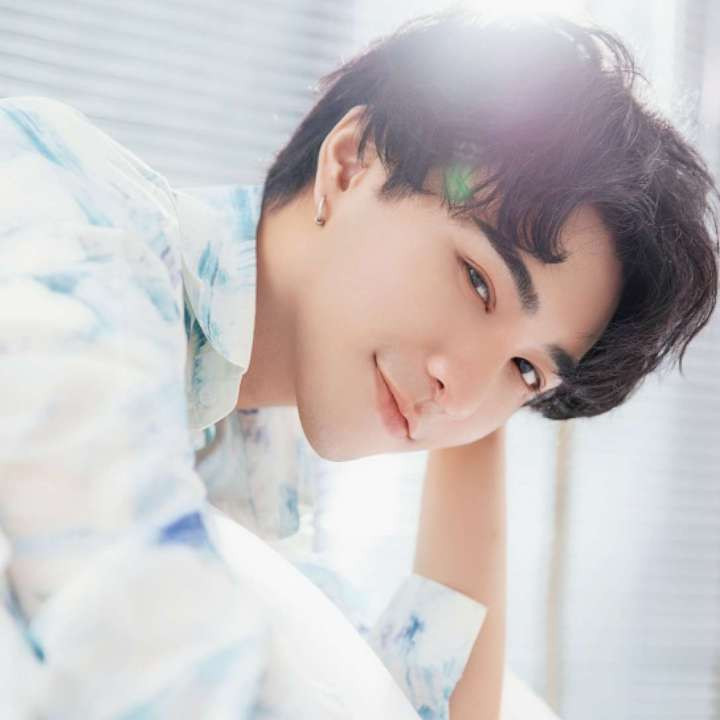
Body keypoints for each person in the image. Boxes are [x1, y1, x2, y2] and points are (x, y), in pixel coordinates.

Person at [0, 9, 717, 720]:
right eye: (477, 279)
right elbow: (146, 646)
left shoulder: (253, 453)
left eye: (526, 372)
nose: (463, 393)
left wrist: (487, 390)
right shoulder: (62, 205)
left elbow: (434, 707)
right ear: (349, 165)